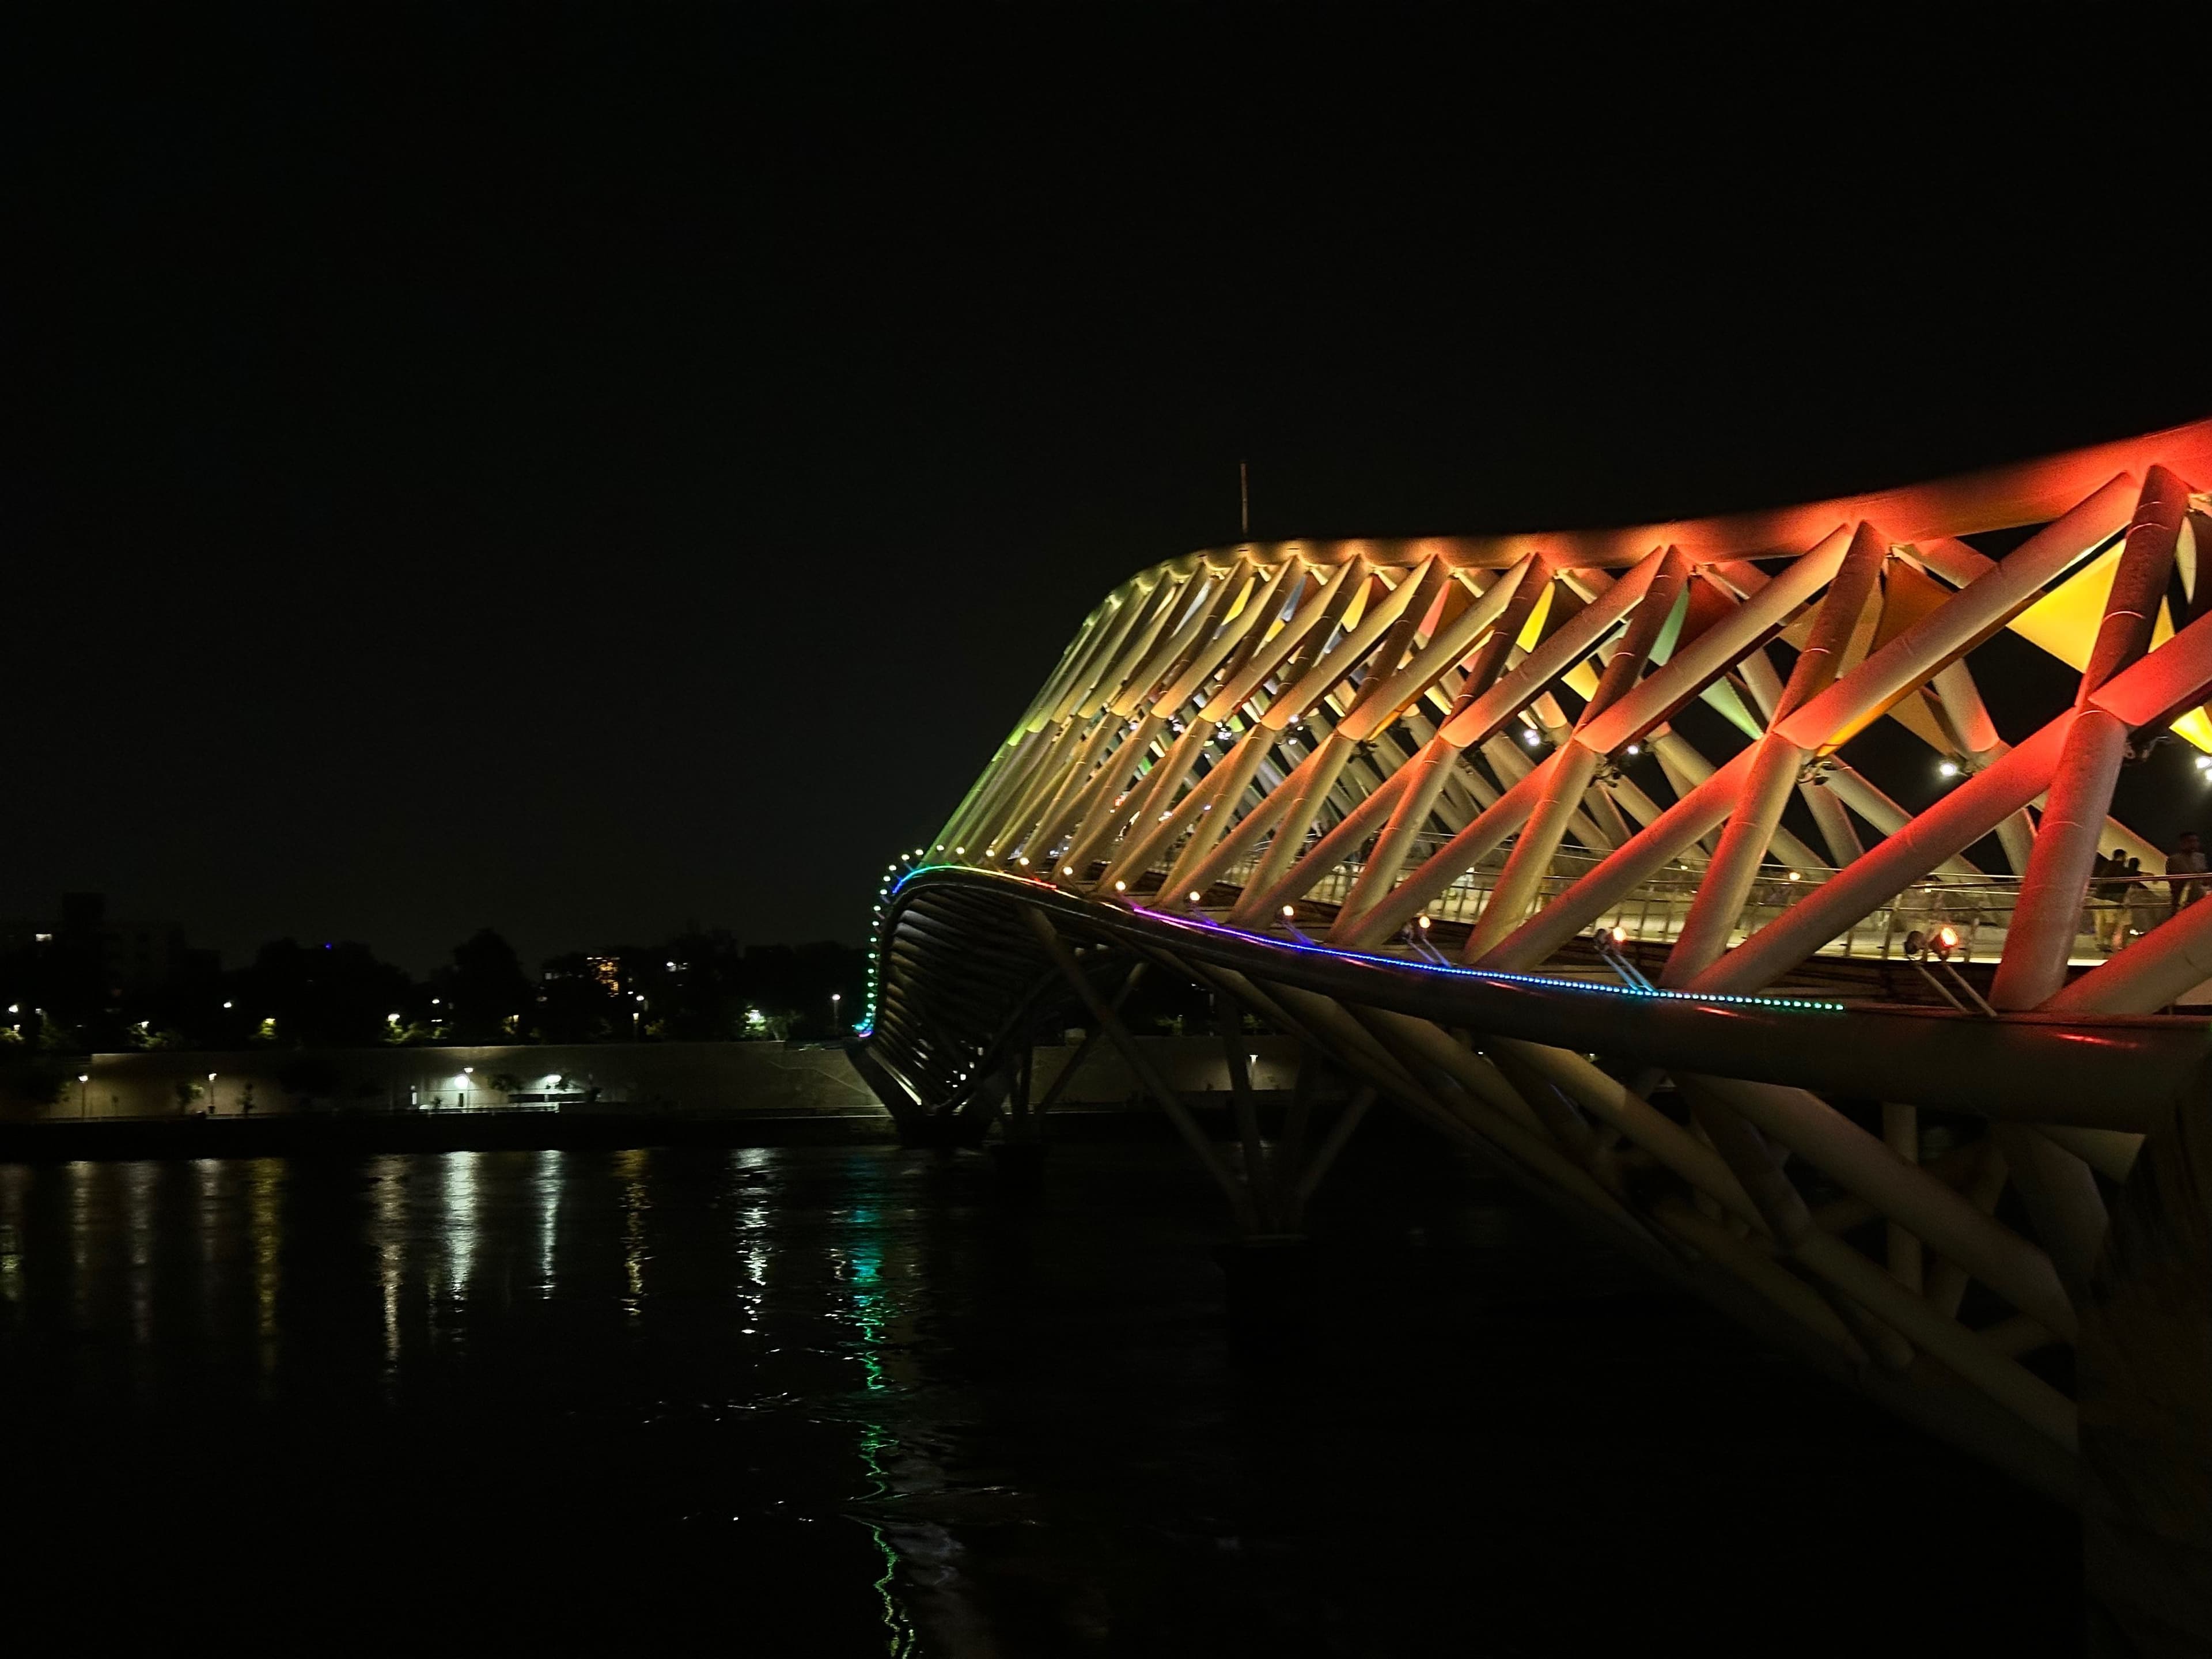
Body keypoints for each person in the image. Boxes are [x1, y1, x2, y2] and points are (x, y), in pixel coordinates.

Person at [2166, 832, 2207, 916]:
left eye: (2196, 841)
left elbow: (2205, 876)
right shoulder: (2174, 860)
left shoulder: (2201, 857)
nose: (2194, 844)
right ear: (2183, 843)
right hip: (2182, 900)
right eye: (2191, 841)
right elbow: (2174, 882)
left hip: (2200, 898)